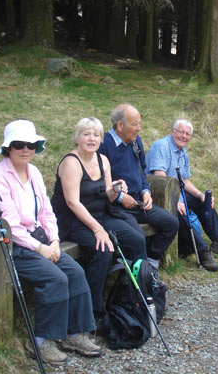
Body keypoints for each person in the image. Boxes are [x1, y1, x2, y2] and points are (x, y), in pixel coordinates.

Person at [0, 119, 101, 364]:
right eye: (19, 145)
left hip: (43, 241)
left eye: (32, 145)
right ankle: (40, 340)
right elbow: (10, 225)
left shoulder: (33, 172)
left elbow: (47, 212)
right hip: (14, 247)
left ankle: (73, 332)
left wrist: (55, 242)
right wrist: (40, 248)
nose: (26, 149)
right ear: (8, 148)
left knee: (76, 272)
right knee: (55, 278)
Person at [51, 117, 147, 322]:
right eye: (86, 134)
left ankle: (130, 297)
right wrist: (97, 229)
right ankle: (94, 311)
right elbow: (72, 203)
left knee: (136, 240)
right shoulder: (71, 162)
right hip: (73, 220)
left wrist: (115, 188)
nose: (92, 139)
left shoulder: (102, 160)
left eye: (96, 135)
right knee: (103, 249)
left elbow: (108, 195)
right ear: (77, 138)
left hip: (101, 214)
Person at [145, 119, 218, 272]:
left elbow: (185, 181)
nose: (184, 136)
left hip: (174, 193)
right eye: (181, 132)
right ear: (172, 131)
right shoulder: (161, 146)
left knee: (203, 201)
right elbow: (159, 177)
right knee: (180, 212)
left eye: (187, 134)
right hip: (157, 195)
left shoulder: (183, 152)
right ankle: (202, 252)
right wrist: (175, 201)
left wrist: (200, 195)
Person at [98, 104, 179, 266]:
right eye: (134, 124)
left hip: (138, 203)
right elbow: (100, 182)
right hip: (116, 208)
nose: (139, 128)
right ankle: (131, 272)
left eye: (139, 124)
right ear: (120, 125)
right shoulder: (104, 145)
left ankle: (149, 263)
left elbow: (141, 171)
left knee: (171, 223)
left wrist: (146, 191)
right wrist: (121, 197)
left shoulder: (136, 142)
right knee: (137, 237)